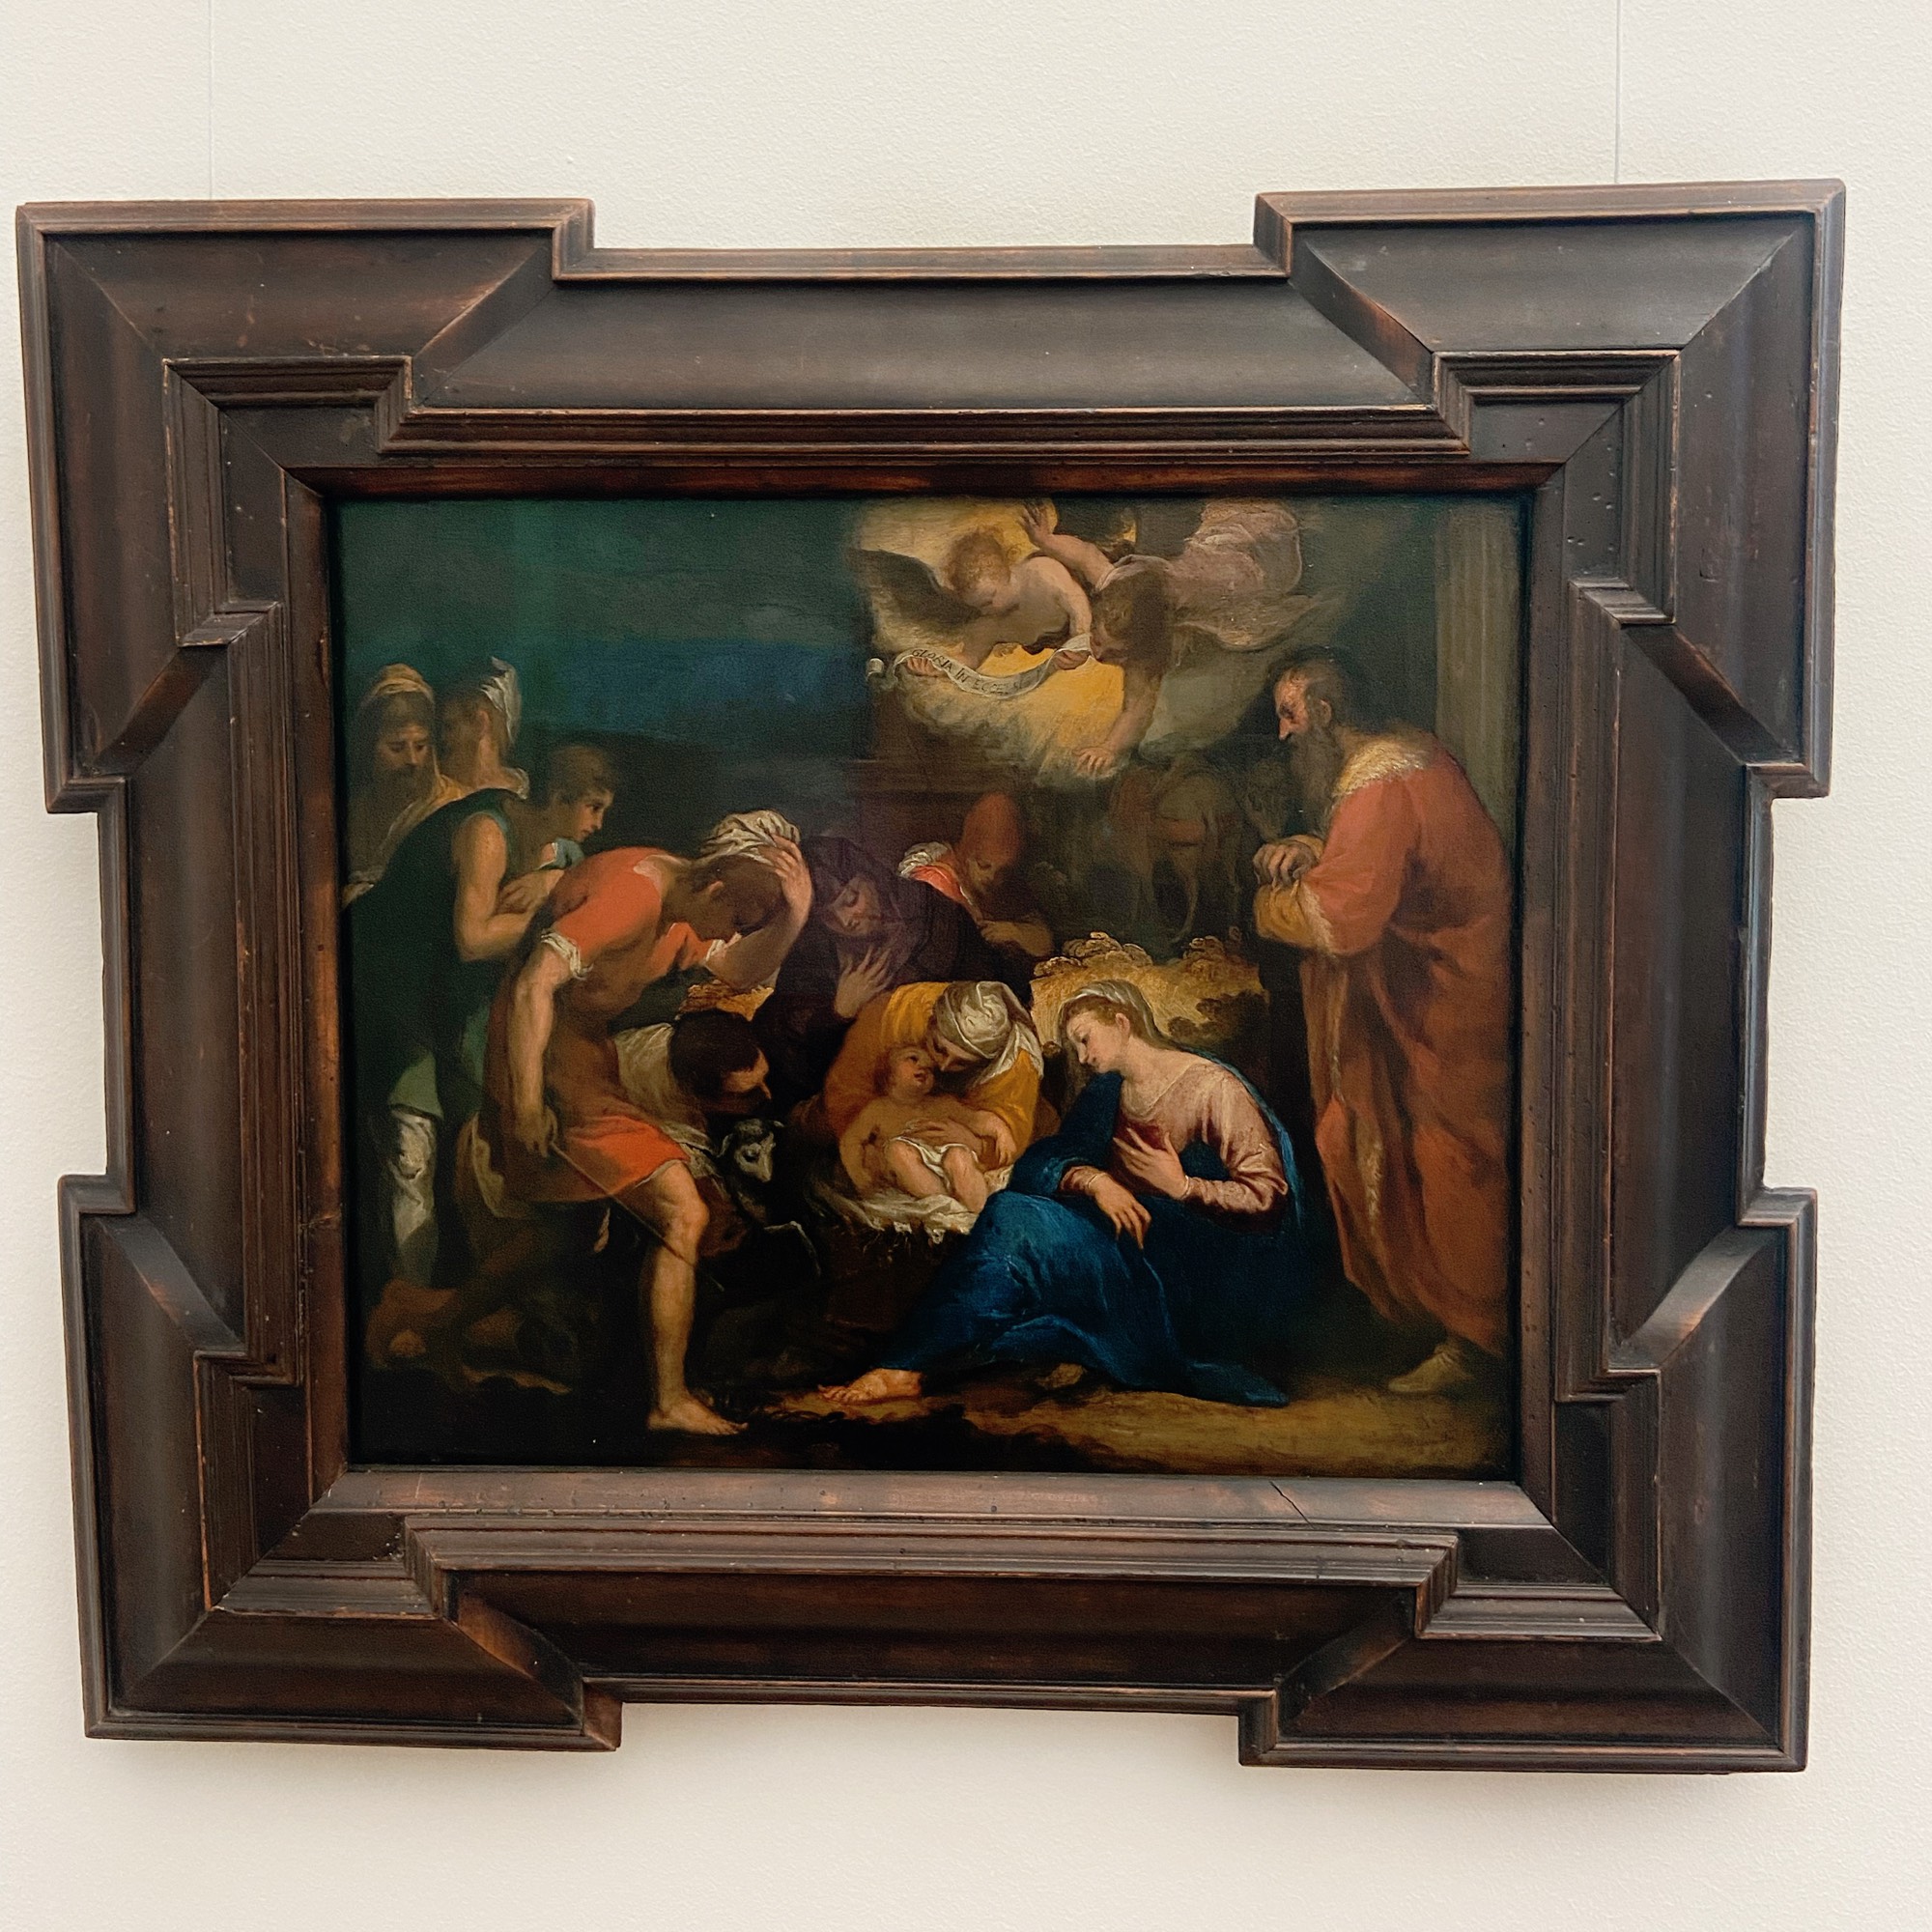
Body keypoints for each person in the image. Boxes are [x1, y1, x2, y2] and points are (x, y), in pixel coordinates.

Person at [822, 980, 1313, 1408]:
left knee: (1014, 1223)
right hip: (1121, 1243)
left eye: (1084, 1039)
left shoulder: (1214, 1089)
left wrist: (1182, 1186)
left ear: (1122, 1023)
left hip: (1184, 1271)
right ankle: (912, 1366)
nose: (1081, 1057)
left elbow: (1267, 1198)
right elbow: (1044, 1160)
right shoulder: (1107, 1093)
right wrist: (1096, 1181)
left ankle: (907, 1366)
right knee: (1013, 1215)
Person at [484, 812, 812, 1435]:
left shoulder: (684, 905)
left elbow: (739, 970)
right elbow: (533, 986)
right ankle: (668, 1400)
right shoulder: (633, 895)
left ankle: (428, 1315)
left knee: (569, 1235)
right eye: (738, 918)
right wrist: (525, 1102)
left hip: (583, 1056)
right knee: (681, 1211)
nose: (733, 933)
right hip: (539, 1054)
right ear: (716, 887)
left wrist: (795, 914)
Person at [1251, 647, 1512, 1396]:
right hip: (1430, 995)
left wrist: (1267, 906)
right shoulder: (1409, 760)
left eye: (1291, 715)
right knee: (1377, 1143)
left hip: (1442, 1007)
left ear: (1326, 713)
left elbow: (1341, 918)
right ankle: (1428, 1320)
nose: (1285, 733)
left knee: (1449, 1159)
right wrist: (1316, 850)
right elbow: (1381, 866)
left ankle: (1475, 1339)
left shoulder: (1380, 787)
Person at [355, 744, 617, 1362]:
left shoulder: (561, 854)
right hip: (396, 990)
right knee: (413, 1150)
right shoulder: (486, 831)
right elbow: (473, 940)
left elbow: (578, 895)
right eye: (592, 807)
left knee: (476, 1149)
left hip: (459, 1006)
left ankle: (453, 1312)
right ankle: (408, 1306)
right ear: (557, 798)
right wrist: (556, 921)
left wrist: (553, 883)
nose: (598, 823)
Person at [1022, 498, 1315, 776]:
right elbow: (1085, 555)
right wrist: (1046, 540)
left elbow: (1137, 706)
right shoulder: (1119, 587)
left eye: (1116, 653)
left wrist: (1109, 747)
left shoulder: (1147, 641)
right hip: (1203, 565)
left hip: (1239, 576)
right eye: (1098, 641)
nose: (1099, 656)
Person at [755, 836, 1026, 1114]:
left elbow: (987, 991)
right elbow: (789, 1041)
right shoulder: (817, 946)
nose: (844, 921)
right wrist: (839, 1012)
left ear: (870, 878)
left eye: (850, 900)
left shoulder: (932, 913)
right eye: (827, 916)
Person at [819, 978, 1050, 1164]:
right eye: (939, 1049)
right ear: (931, 1023)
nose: (943, 1066)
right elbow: (847, 1092)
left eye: (962, 1063)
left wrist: (974, 1143)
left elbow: (1008, 1144)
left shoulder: (1013, 1065)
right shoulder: (901, 1011)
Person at [838, 1044, 1009, 1217]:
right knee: (897, 1151)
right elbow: (850, 1142)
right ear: (889, 1075)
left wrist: (1000, 1131)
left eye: (930, 1069)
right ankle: (945, 1206)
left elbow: (977, 1119)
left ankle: (981, 1211)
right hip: (914, 1174)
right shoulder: (877, 1109)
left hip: (947, 1163)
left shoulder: (941, 1104)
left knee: (959, 1155)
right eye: (913, 1059)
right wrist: (861, 1179)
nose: (923, 1067)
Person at [897, 791, 1054, 967]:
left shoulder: (1000, 886)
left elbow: (1045, 941)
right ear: (965, 855)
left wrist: (1014, 931)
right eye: (984, 865)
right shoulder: (934, 883)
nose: (992, 877)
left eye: (1002, 870)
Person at [343, 665, 442, 902]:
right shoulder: (355, 812)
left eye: (421, 746)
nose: (413, 761)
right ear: (370, 748)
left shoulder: (450, 805)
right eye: (397, 748)